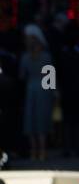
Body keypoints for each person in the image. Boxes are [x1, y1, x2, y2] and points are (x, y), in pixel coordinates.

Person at [20, 25, 53, 163]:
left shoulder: (25, 57)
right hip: (43, 91)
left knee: (31, 121)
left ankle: (34, 153)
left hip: (30, 89)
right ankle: (43, 152)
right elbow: (49, 79)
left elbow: (21, 75)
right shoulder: (46, 56)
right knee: (41, 121)